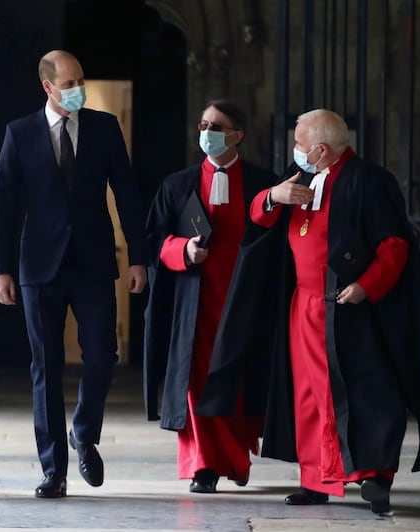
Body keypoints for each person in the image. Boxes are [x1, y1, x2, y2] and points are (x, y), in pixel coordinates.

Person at [199, 109, 420, 514]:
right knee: (306, 394)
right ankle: (316, 478)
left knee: (367, 391)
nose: (295, 152)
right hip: (302, 305)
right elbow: (257, 217)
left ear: (320, 149)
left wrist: (366, 286)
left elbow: (395, 246)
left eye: (300, 145)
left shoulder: (369, 181)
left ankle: (374, 477)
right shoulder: (298, 176)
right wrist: (273, 196)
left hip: (351, 307)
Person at [0, 50, 148, 499]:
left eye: (81, 79)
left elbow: (127, 193)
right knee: (47, 366)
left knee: (101, 355)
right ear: (49, 87)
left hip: (94, 261)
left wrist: (139, 257)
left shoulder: (103, 126)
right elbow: (3, 207)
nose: (78, 86)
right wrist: (0, 269)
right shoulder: (19, 134)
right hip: (38, 267)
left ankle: (84, 430)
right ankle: (53, 470)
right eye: (70, 81)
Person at [143, 100, 276, 493]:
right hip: (194, 303)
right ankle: (202, 465)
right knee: (196, 382)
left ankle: (235, 459)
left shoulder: (262, 184)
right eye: (203, 123)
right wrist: (182, 251)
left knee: (237, 381)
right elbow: (153, 242)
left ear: (237, 136)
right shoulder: (177, 184)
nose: (207, 131)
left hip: (244, 302)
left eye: (216, 126)